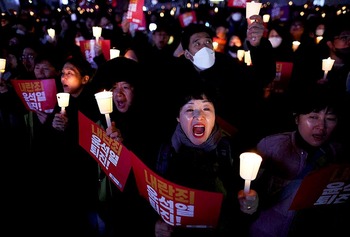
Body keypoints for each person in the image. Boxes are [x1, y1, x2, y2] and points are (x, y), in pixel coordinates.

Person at [153, 84, 259, 237]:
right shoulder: (164, 152)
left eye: (206, 109)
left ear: (215, 115)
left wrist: (250, 207)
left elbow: (242, 214)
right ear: (178, 117)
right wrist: (155, 225)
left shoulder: (232, 151)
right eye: (190, 110)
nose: (199, 116)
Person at [249, 84, 349, 237]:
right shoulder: (272, 146)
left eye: (330, 119)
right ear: (297, 118)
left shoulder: (339, 155)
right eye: (313, 117)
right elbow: (250, 194)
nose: (321, 127)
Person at [173, 18, 276, 150]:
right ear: (187, 54)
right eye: (197, 44)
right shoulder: (178, 73)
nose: (204, 47)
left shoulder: (227, 65)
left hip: (228, 139)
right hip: (190, 142)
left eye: (207, 42)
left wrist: (258, 45)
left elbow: (262, 76)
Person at [91, 56, 157, 236]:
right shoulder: (102, 123)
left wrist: (125, 148)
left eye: (125, 87)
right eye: (114, 88)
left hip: (139, 214)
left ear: (136, 91)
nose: (118, 94)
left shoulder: (150, 124)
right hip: (109, 208)